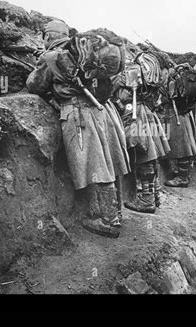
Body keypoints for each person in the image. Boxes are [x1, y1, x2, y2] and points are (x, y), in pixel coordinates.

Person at [26, 20, 130, 238]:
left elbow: (35, 85)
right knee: (106, 160)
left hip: (78, 111)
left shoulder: (52, 57)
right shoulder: (85, 52)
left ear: (47, 36)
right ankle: (115, 212)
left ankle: (108, 221)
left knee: (95, 163)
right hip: (103, 109)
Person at [112, 51, 171, 213]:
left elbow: (120, 95)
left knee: (142, 156)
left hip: (134, 115)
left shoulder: (130, 72)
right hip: (148, 113)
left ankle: (146, 200)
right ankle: (155, 194)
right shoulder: (156, 75)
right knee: (150, 155)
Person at [157, 66, 196, 188]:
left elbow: (164, 99)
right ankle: (183, 172)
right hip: (184, 114)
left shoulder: (168, 80)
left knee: (180, 147)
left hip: (175, 116)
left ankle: (183, 178)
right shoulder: (177, 77)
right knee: (184, 145)